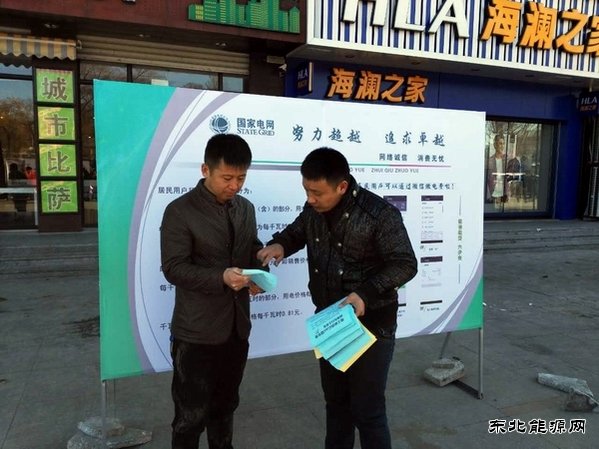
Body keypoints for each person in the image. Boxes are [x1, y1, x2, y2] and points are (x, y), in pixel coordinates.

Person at [257, 147, 417, 449]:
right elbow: (296, 232)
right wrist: (280, 245)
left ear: (342, 186)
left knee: (368, 411)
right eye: (306, 190)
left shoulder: (379, 214)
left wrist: (365, 293)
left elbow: (405, 264)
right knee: (336, 404)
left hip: (371, 326)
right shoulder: (313, 210)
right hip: (330, 321)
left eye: (317, 192)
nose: (310, 199)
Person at [160, 133, 266, 449]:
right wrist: (221, 277)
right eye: (227, 178)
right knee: (190, 416)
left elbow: (252, 248)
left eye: (241, 178)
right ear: (206, 170)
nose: (234, 186)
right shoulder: (180, 211)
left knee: (225, 407)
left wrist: (259, 273)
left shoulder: (245, 208)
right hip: (196, 333)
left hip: (236, 328)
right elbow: (174, 268)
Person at [486, 134, 507, 206]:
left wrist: (508, 193)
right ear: (495, 145)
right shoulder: (489, 161)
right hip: (492, 194)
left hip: (503, 194)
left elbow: (508, 178)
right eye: (500, 143)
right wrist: (488, 196)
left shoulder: (506, 160)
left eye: (503, 144)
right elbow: (486, 180)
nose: (502, 146)